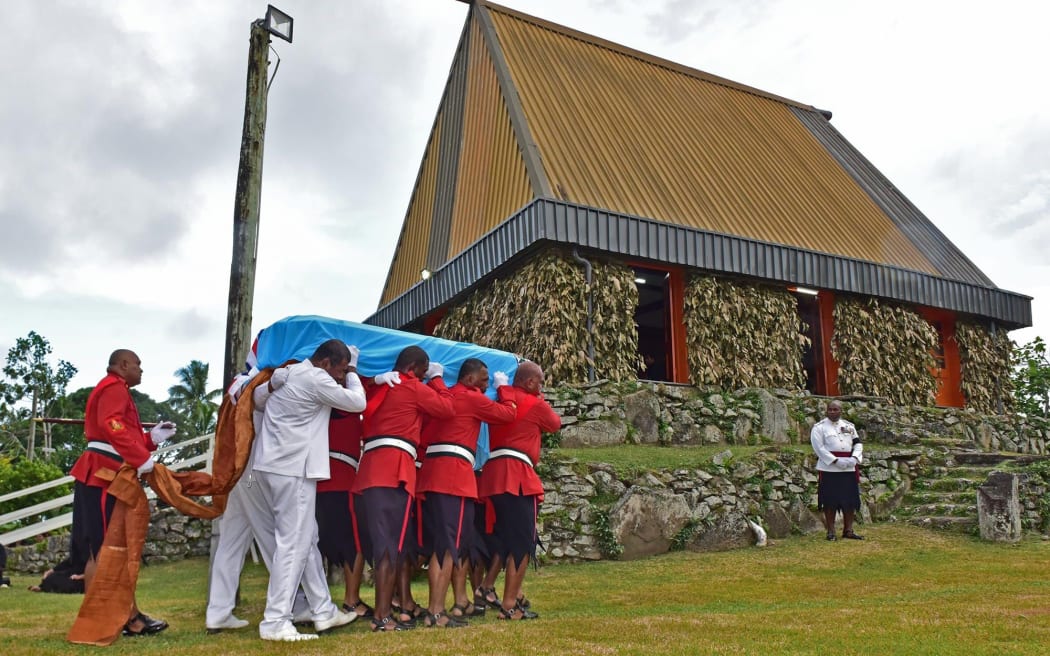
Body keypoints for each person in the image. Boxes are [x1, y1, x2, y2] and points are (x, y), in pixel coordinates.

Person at [251, 339, 366, 641]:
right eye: (339, 371)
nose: (340, 377)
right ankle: (275, 621)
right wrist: (354, 370)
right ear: (327, 363)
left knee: (307, 539)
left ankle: (322, 610)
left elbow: (257, 400)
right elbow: (358, 403)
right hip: (293, 469)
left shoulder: (288, 374)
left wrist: (271, 385)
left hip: (273, 466)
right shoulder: (315, 378)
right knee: (293, 544)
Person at [68, 349, 176, 636]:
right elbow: (113, 427)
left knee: (99, 550)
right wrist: (142, 460)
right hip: (106, 472)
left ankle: (98, 619)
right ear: (124, 365)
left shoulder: (112, 388)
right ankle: (130, 619)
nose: (141, 370)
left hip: (101, 469)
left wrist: (150, 440)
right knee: (111, 548)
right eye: (138, 365)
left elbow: (117, 432)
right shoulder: (115, 388)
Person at [352, 345, 455, 632]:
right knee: (390, 548)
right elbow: (447, 408)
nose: (423, 377)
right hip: (394, 470)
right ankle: (382, 618)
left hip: (369, 470)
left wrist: (372, 378)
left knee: (384, 546)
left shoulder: (378, 387)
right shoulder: (412, 387)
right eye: (422, 372)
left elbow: (356, 386)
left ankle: (391, 610)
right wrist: (437, 380)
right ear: (413, 369)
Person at [417, 358, 517, 628]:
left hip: (432, 475)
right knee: (448, 546)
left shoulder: (445, 395)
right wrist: (504, 388)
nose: (487, 386)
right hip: (454, 477)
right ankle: (436, 612)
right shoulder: (471, 398)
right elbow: (508, 414)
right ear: (470, 379)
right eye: (484, 380)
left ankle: (447, 606)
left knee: (444, 543)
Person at [477, 361, 561, 620]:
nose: (542, 387)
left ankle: (487, 586)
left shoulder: (501, 400)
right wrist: (541, 399)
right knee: (523, 543)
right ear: (529, 382)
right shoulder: (535, 404)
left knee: (504, 539)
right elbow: (554, 424)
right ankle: (509, 604)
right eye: (541, 382)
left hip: (493, 476)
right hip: (517, 475)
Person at [810, 400, 864, 540]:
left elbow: (858, 444)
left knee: (850, 500)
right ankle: (831, 532)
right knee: (830, 501)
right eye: (830, 409)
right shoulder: (819, 427)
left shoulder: (849, 426)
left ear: (841, 411)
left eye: (835, 409)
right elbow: (818, 448)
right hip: (829, 469)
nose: (832, 412)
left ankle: (848, 530)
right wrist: (834, 460)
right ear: (826, 411)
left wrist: (855, 458)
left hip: (849, 468)